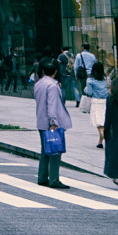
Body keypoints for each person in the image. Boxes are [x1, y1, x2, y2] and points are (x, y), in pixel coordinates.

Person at [32, 59, 72, 190]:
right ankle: (54, 179)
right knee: (55, 152)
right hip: (51, 123)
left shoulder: (38, 84)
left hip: (41, 121)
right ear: (55, 71)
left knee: (45, 151)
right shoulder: (53, 86)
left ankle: (42, 177)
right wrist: (53, 122)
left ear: (43, 71)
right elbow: (52, 105)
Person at [82, 62, 111, 148]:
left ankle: (104, 136)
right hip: (106, 101)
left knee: (99, 123)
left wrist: (85, 89)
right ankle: (100, 142)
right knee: (104, 120)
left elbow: (89, 92)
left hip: (96, 102)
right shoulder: (107, 79)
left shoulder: (90, 81)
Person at [72, 44, 96, 108]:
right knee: (91, 89)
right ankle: (91, 103)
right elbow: (95, 65)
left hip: (83, 74)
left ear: (82, 48)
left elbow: (76, 66)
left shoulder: (79, 55)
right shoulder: (92, 56)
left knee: (83, 89)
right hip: (91, 74)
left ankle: (85, 105)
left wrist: (76, 75)